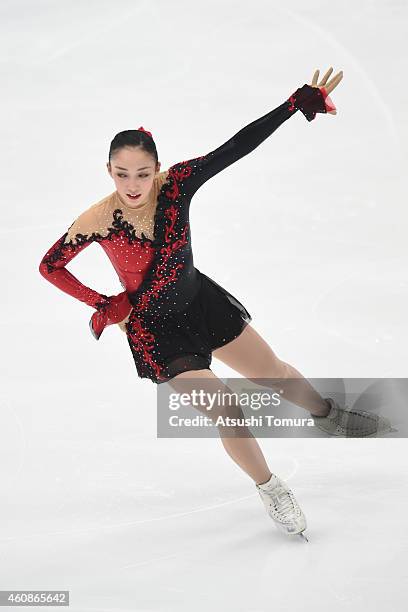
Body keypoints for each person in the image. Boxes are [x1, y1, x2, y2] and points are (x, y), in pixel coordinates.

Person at [39, 67, 391, 541]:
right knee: (227, 409)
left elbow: (234, 148)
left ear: (157, 169)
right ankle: (270, 487)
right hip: (155, 332)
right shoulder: (98, 219)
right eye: (122, 173)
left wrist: (293, 105)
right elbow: (50, 266)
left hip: (201, 303)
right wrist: (105, 303)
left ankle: (328, 416)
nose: (133, 183)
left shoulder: (177, 184)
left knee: (276, 372)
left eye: (143, 173)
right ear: (108, 171)